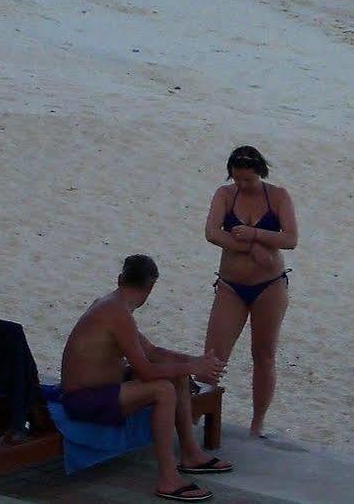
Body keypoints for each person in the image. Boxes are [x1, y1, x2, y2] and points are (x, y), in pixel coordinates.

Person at [59, 254, 231, 502]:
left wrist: (195, 362)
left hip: (101, 388)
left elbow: (152, 352)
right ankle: (168, 480)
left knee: (177, 375)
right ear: (150, 288)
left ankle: (191, 454)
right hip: (82, 399)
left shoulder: (113, 304)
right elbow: (147, 370)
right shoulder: (117, 313)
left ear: (120, 279)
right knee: (163, 389)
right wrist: (193, 366)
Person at [202, 146, 298, 437]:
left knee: (264, 355)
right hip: (231, 285)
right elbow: (212, 232)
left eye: (248, 181)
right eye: (237, 179)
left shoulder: (278, 196)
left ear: (260, 174)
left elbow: (291, 239)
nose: (242, 185)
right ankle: (198, 416)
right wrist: (249, 247)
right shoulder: (224, 194)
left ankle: (258, 423)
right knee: (213, 355)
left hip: (269, 286)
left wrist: (256, 234)